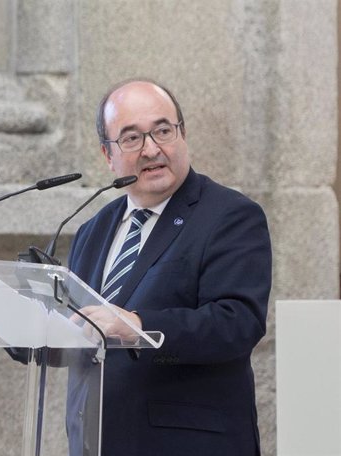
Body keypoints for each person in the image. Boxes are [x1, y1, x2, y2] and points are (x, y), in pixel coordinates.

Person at [65, 79, 272, 455]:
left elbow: (238, 322)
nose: (151, 149)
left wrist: (138, 327)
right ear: (107, 154)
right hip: (96, 442)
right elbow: (78, 328)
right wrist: (16, 327)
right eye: (131, 138)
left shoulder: (230, 216)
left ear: (182, 134)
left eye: (163, 130)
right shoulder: (91, 231)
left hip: (185, 443)